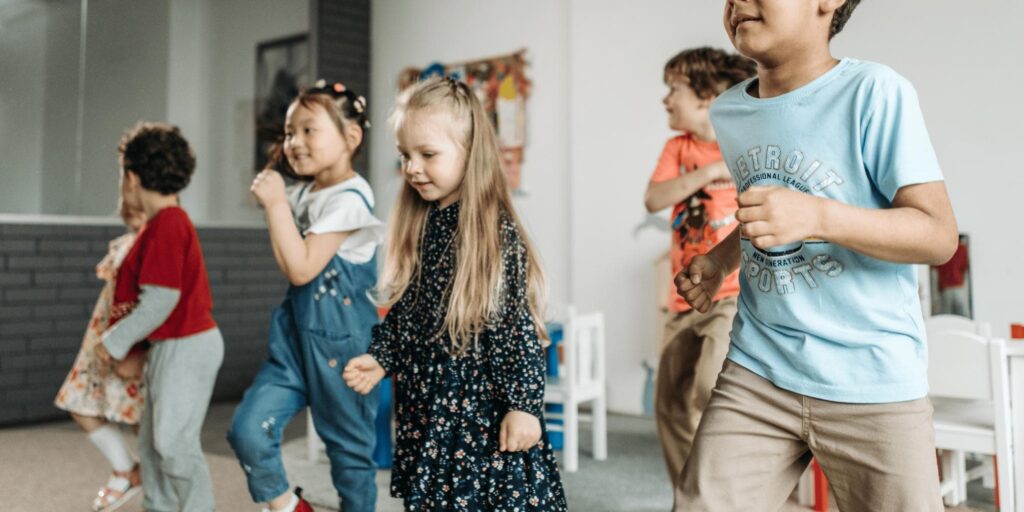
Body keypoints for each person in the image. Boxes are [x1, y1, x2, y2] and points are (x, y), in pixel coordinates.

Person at [672, 1, 959, 510]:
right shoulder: (730, 110)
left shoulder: (874, 91)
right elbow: (770, 211)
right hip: (758, 368)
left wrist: (819, 217)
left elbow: (937, 235)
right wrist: (720, 261)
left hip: (873, 379)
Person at [342, 76, 567, 511]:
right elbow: (411, 310)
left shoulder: (494, 234)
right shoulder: (429, 223)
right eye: (405, 155)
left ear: (470, 153)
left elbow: (514, 326)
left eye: (427, 154)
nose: (412, 168)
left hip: (479, 415)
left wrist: (522, 405)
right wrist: (382, 355)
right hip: (432, 406)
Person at [227, 80, 382, 512]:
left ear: (351, 138)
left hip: (344, 347)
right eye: (289, 132)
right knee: (248, 431)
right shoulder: (302, 193)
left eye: (308, 130)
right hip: (294, 342)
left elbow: (300, 268)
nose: (294, 142)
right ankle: (290, 507)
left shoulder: (351, 200)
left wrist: (276, 206)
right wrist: (279, 201)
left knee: (350, 458)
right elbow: (289, 263)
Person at [96, 122, 224, 511]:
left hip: (187, 345)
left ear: (131, 178)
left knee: (173, 444)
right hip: (171, 345)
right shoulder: (159, 225)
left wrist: (113, 344)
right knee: (152, 446)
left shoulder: (169, 224)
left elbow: (159, 301)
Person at [643, 46, 755, 488]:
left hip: (727, 294)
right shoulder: (678, 147)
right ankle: (690, 493)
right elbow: (653, 199)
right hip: (680, 296)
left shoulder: (742, 144)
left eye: (675, 90)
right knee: (669, 401)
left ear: (707, 97)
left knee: (711, 386)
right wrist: (709, 174)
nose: (665, 99)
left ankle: (728, 484)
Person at [55, 198, 147, 511]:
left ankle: (156, 488)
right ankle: (126, 469)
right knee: (78, 403)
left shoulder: (156, 245)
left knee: (141, 420)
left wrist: (134, 351)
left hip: (133, 348)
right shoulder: (124, 244)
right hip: (102, 343)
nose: (131, 205)